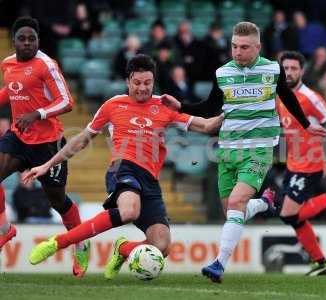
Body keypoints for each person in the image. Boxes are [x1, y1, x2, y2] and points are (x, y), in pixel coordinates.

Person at [24, 54, 223, 279]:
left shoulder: (164, 106)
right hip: (123, 168)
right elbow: (82, 139)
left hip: (150, 180)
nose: (142, 88)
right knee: (129, 211)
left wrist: (233, 114)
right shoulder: (112, 105)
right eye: (137, 83)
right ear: (128, 81)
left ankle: (124, 249)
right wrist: (47, 164)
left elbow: (207, 126)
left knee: (162, 246)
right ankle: (58, 242)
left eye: (147, 83)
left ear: (153, 82)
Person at [161, 22, 326, 283]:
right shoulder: (223, 73)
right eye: (234, 46)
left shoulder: (272, 70)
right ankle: (264, 203)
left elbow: (288, 97)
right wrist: (180, 105)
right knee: (232, 211)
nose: (237, 52)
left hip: (259, 150)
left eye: (243, 47)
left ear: (257, 47)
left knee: (237, 203)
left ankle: (219, 264)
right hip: (228, 150)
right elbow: (208, 108)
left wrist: (307, 126)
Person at [0, 16, 89, 277]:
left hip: (48, 144)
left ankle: (80, 244)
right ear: (14, 40)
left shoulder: (47, 65)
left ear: (38, 41)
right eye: (22, 39)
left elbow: (67, 102)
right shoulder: (8, 63)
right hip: (19, 137)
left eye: (32, 39)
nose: (27, 43)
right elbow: (12, 90)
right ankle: (6, 229)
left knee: (58, 201)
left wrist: (37, 114)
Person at [264, 51, 326, 276]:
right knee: (295, 220)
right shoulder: (279, 96)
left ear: (302, 71)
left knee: (287, 215)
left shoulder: (310, 97)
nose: (289, 73)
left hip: (310, 165)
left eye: (294, 69)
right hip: (293, 165)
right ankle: (321, 263)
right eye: (285, 68)